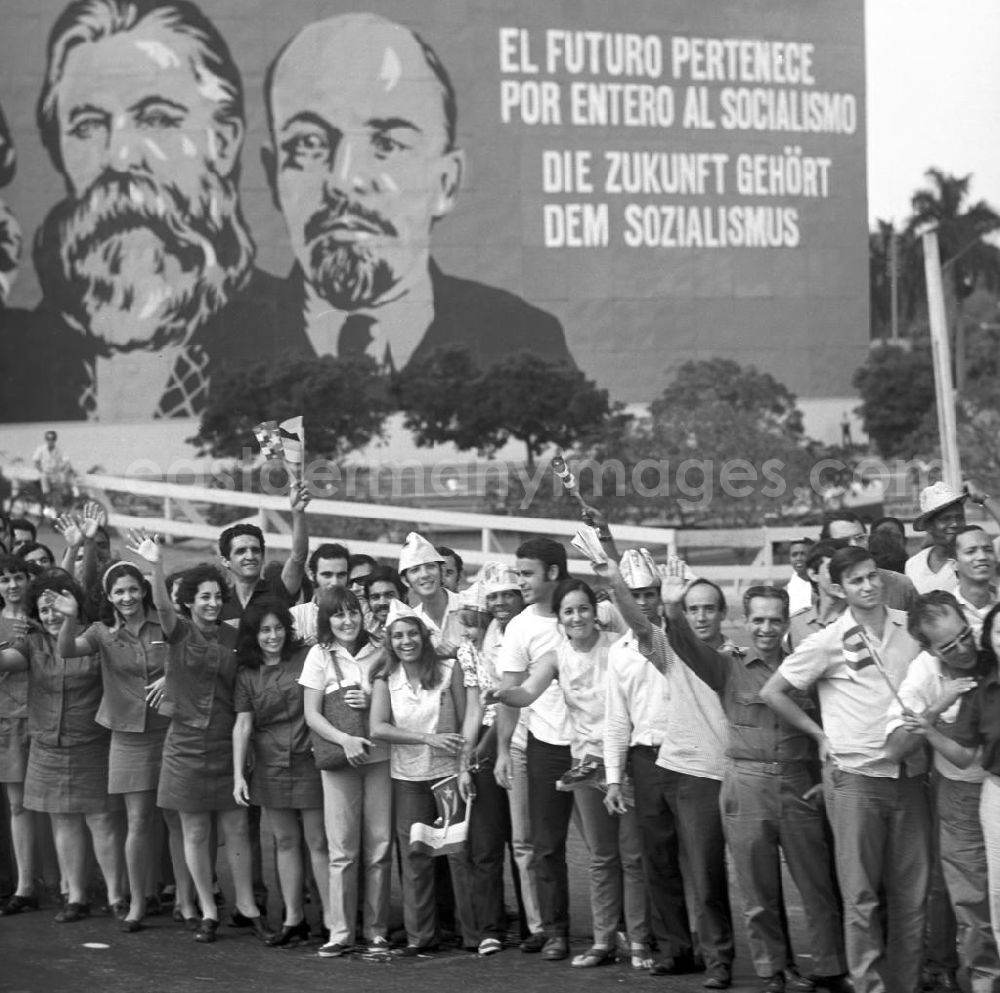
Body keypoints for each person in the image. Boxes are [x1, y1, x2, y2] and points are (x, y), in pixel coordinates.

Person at [0, 0, 299, 422]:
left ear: (225, 142)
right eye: (87, 125)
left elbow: (283, 481)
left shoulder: (277, 331)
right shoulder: (26, 353)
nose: (120, 156)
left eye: (157, 118)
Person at [261, 12, 573, 377]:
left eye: (388, 144)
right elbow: (240, 430)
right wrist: (307, 435)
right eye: (309, 144)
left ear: (446, 182)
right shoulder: (229, 339)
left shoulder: (520, 338)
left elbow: (550, 433)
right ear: (273, 175)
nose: (344, 179)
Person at [659, 567, 848, 993]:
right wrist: (672, 607)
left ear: (786, 623)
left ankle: (831, 969)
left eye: (774, 620)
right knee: (757, 888)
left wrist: (822, 782)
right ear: (746, 622)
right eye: (758, 619)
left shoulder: (806, 667)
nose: (766, 628)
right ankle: (771, 970)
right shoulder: (728, 666)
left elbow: (826, 722)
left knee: (817, 885)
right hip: (747, 783)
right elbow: (685, 645)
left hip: (799, 784)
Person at [761, 545, 930, 993]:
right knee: (861, 897)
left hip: (910, 776)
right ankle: (869, 985)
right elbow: (774, 691)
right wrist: (818, 735)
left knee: (912, 896)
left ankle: (907, 985)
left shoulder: (908, 625)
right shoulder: (829, 639)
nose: (869, 585)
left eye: (872, 575)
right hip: (855, 780)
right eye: (856, 580)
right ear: (838, 587)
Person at [493, 577, 650, 969]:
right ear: (559, 619)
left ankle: (640, 941)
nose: (577, 616)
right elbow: (526, 693)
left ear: (595, 613)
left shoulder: (617, 647)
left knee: (632, 856)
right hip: (586, 764)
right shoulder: (556, 656)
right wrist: (500, 695)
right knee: (601, 856)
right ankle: (602, 941)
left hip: (626, 761)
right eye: (568, 611)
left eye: (583, 608)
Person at [133, 536, 273, 945]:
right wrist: (156, 566)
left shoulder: (235, 636)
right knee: (194, 832)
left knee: (236, 830)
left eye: (217, 596)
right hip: (185, 746)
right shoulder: (178, 632)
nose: (212, 603)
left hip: (228, 743)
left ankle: (246, 907)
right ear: (190, 602)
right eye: (204, 597)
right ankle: (209, 911)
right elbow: (160, 606)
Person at [601, 549, 732, 986]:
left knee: (703, 861)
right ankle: (676, 949)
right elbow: (616, 717)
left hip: (699, 760)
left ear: (661, 594)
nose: (641, 600)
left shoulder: (688, 644)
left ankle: (716, 954)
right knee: (657, 861)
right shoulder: (623, 651)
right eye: (632, 593)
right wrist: (615, 776)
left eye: (649, 592)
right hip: (646, 758)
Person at [56, 557, 183, 930]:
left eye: (132, 589)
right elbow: (66, 651)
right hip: (127, 737)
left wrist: (155, 565)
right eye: (119, 591)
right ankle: (137, 903)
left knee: (177, 819)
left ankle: (187, 903)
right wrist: (68, 617)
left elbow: (184, 651)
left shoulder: (165, 622)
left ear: (142, 590)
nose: (127, 597)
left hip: (171, 732)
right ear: (109, 597)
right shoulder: (100, 631)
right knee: (138, 821)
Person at [885, 593, 1000, 993]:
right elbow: (896, 747)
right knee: (972, 901)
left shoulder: (991, 646)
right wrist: (938, 706)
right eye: (950, 646)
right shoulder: (922, 674)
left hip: (996, 786)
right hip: (959, 794)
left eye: (965, 635)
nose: (964, 648)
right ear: (929, 648)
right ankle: (986, 980)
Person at [2, 574, 127, 923]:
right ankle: (76, 897)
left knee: (101, 820)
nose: (51, 615)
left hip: (91, 741)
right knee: (63, 820)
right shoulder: (32, 644)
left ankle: (117, 897)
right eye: (44, 610)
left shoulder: (94, 636)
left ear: (73, 605)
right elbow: (5, 661)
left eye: (57, 606)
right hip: (46, 745)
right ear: (35, 614)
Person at [369, 601, 479, 956]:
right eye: (398, 635)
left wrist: (464, 768)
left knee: (457, 853)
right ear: (390, 640)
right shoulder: (387, 678)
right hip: (408, 776)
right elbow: (378, 727)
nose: (406, 641)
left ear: (424, 636)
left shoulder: (449, 671)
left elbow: (466, 721)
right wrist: (426, 738)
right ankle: (421, 936)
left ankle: (472, 934)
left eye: (412, 633)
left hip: (447, 775)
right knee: (416, 854)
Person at [299, 586, 391, 959]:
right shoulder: (319, 655)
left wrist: (372, 701)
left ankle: (377, 931)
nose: (347, 620)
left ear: (363, 613)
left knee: (380, 847)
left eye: (353, 612)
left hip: (381, 757)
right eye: (338, 614)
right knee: (342, 850)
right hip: (340, 761)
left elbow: (398, 699)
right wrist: (345, 740)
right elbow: (312, 714)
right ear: (327, 619)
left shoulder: (382, 649)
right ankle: (340, 932)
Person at [232, 598, 330, 947]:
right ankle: (293, 918)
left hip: (309, 759)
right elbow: (243, 726)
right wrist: (238, 775)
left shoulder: (305, 657)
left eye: (277, 629)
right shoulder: (246, 673)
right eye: (264, 630)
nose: (272, 636)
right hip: (269, 764)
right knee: (284, 841)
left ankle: (333, 921)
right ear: (253, 635)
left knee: (318, 841)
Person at [0, 554, 37, 915]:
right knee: (18, 805)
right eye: (5, 579)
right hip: (8, 723)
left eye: (18, 578)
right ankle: (25, 886)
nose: (12, 586)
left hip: (46, 721)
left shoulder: (43, 618)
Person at [820, 511, 919, 610]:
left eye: (860, 538)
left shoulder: (899, 585)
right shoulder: (821, 588)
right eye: (844, 540)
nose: (854, 545)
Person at [786, 540, 848, 652]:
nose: (840, 575)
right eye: (831, 568)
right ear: (813, 574)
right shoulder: (797, 624)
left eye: (844, 568)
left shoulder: (860, 619)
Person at [289, 542, 350, 645]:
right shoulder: (294, 616)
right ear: (312, 575)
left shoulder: (359, 617)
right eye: (327, 575)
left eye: (341, 575)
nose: (335, 582)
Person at [951, 526, 998, 637]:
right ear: (954, 564)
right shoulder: (948, 610)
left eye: (988, 550)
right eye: (971, 552)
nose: (982, 556)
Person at [32, 430, 72, 516]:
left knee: (58, 494)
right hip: (45, 474)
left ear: (55, 440)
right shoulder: (41, 449)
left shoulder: (58, 450)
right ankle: (47, 504)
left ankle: (57, 512)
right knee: (46, 490)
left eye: (52, 439)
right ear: (46, 440)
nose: (50, 441)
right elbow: (35, 460)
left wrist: (66, 468)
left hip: (55, 474)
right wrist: (41, 469)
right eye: (48, 439)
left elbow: (66, 460)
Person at [785, 539, 814, 614]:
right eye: (794, 555)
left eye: (803, 554)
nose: (798, 558)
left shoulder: (822, 584)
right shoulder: (786, 592)